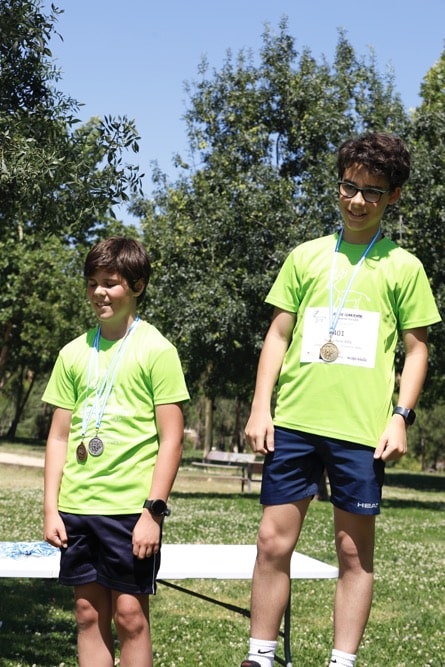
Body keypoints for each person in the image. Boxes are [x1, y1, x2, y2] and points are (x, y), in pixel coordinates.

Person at [240, 132, 441, 667]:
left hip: (360, 433)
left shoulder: (403, 266)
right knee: (272, 543)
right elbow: (278, 335)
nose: (357, 201)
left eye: (372, 192)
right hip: (294, 423)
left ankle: (341, 661)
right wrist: (261, 407)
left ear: (393, 196)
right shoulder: (306, 256)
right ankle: (261, 655)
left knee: (353, 554)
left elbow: (417, 350)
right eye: (349, 187)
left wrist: (400, 417)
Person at [43, 236, 189, 667]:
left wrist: (153, 513)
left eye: (110, 283)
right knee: (87, 614)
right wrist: (51, 508)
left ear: (137, 286)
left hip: (130, 511)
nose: (99, 293)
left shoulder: (157, 351)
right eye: (92, 283)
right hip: (77, 508)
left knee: (130, 618)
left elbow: (172, 439)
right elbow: (58, 438)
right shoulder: (73, 353)